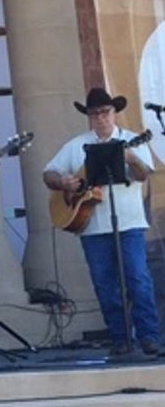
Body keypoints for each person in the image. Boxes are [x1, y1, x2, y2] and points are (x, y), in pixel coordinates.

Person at [43, 88, 160, 357]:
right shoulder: (76, 145)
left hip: (129, 223)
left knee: (138, 279)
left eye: (105, 112)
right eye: (94, 114)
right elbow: (48, 173)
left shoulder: (132, 140)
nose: (100, 118)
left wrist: (131, 158)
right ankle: (119, 337)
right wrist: (63, 182)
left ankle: (149, 336)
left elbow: (143, 176)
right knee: (104, 284)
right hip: (93, 227)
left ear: (114, 113)